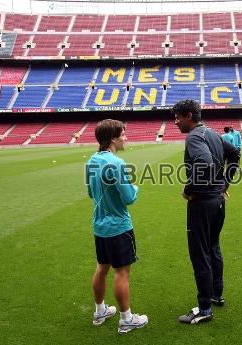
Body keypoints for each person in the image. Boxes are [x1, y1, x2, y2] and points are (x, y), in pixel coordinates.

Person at [172, 99, 240, 324]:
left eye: (178, 117)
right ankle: (216, 294)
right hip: (218, 201)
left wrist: (188, 188)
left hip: (201, 203)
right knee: (213, 247)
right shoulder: (212, 133)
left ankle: (203, 309)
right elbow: (235, 154)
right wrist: (224, 185)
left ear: (189, 116)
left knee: (200, 253)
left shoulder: (193, 136)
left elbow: (203, 161)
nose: (175, 122)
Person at [85, 119, 148, 334]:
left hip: (99, 225)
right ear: (112, 138)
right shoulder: (117, 164)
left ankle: (100, 310)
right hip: (118, 226)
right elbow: (129, 197)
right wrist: (135, 188)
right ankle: (126, 319)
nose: (125, 138)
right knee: (122, 272)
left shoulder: (92, 160)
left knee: (101, 268)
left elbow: (91, 193)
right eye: (123, 134)